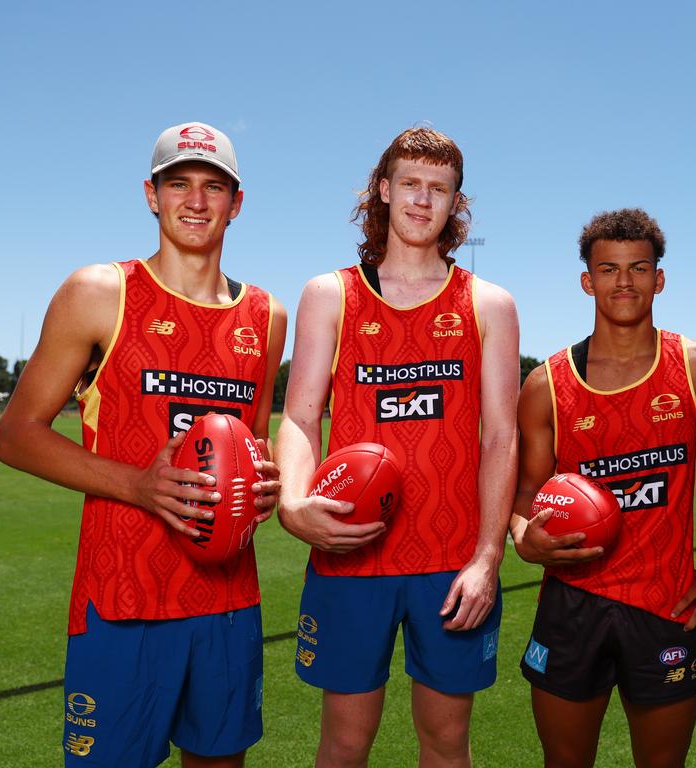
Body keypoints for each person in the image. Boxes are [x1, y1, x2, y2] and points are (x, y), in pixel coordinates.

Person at [0, 122, 287, 768]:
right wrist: (138, 485)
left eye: (214, 187)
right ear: (150, 196)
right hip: (123, 596)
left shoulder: (266, 317)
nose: (196, 201)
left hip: (227, 598)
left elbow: (252, 442)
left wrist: (264, 484)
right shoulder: (98, 292)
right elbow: (15, 435)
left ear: (237, 203)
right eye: (177, 183)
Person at [276, 127, 519, 768]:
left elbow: (501, 436)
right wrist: (294, 504)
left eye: (438, 189)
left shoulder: (489, 303)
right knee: (346, 743)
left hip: (451, 561)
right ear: (384, 191)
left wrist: (488, 557)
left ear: (454, 203)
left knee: (444, 743)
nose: (421, 200)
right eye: (409, 184)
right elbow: (300, 417)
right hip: (352, 553)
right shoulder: (329, 294)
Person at [510, 208, 696, 768]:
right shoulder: (547, 383)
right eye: (609, 269)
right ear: (586, 281)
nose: (624, 282)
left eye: (638, 268)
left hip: (666, 605)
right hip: (572, 603)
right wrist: (524, 537)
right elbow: (526, 491)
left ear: (659, 278)